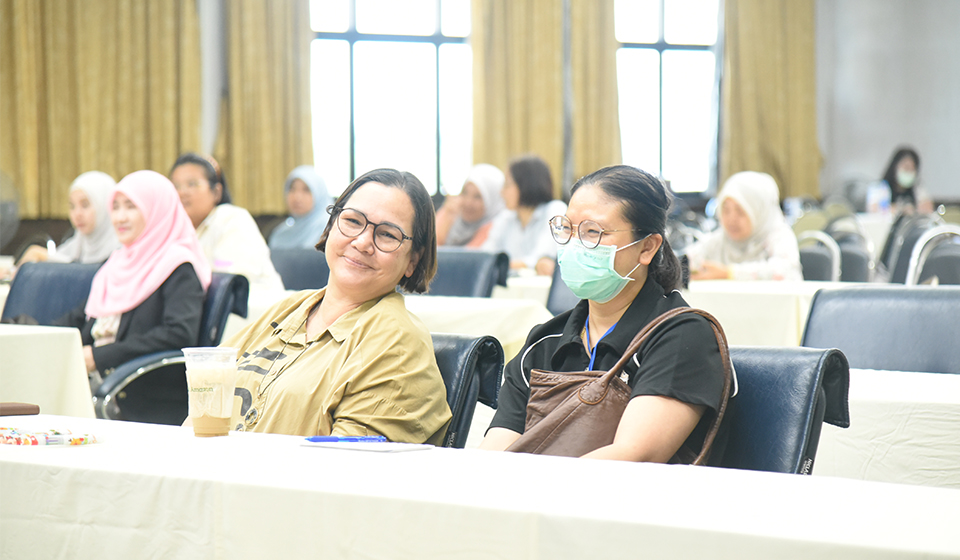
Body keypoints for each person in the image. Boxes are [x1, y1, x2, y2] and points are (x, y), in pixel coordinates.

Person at [479, 165, 727, 461]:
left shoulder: (680, 335)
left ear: (647, 248)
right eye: (567, 229)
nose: (574, 245)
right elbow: (495, 455)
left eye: (592, 232)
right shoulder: (544, 342)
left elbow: (633, 456)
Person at [222, 168, 452, 443]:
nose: (363, 242)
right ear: (331, 225)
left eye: (388, 235)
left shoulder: (398, 345)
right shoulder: (288, 310)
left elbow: (345, 464)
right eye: (353, 221)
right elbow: (205, 403)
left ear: (413, 260)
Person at [53, 170, 210, 389]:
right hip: (91, 381)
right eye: (115, 207)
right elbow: (80, 318)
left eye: (131, 207)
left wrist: (99, 357)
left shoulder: (178, 267)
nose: (120, 217)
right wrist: (35, 334)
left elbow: (179, 335)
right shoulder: (117, 262)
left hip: (138, 389)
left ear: (157, 210)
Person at [169, 153, 284, 290]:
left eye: (192, 184)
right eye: (176, 186)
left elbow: (228, 274)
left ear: (216, 192)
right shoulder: (174, 230)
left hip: (258, 301)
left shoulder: (232, 219)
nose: (182, 193)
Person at [684, 171, 803, 281]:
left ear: (759, 212)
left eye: (740, 211)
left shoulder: (779, 236)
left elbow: (786, 271)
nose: (731, 219)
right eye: (726, 210)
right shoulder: (719, 240)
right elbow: (686, 262)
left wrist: (729, 273)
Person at [482, 155, 567, 276]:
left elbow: (542, 260)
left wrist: (499, 265)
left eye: (507, 185)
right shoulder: (505, 217)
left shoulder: (555, 210)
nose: (502, 192)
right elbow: (486, 256)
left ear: (526, 184)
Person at [14, 171, 121, 267]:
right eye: (72, 206)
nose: (77, 214)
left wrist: (42, 255)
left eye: (85, 205)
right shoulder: (78, 244)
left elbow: (89, 272)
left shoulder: (121, 249)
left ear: (106, 206)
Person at [435, 163, 505, 247]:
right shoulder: (450, 211)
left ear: (492, 201)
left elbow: (472, 253)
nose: (468, 202)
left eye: (477, 197)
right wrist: (447, 218)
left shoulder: (497, 226)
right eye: (465, 193)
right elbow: (430, 246)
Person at [268, 165, 333, 250]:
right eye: (292, 189)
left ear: (319, 195)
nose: (297, 197)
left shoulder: (329, 232)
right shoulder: (280, 234)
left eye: (306, 190)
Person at [881, 146, 933, 214]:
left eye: (912, 169)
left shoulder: (917, 189)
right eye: (906, 167)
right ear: (895, 167)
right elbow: (877, 209)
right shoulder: (881, 187)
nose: (909, 172)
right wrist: (900, 209)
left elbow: (928, 209)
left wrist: (913, 210)